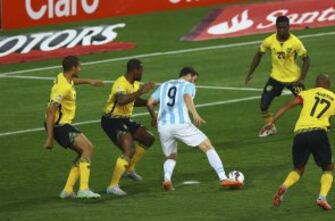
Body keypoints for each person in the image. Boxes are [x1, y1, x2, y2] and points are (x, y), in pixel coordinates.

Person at [263, 74, 335, 210]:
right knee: (328, 168)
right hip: (318, 133)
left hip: (300, 134)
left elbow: (288, 105)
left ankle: (284, 186)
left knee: (298, 169)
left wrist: (272, 121)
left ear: (316, 84)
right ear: (329, 84)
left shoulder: (307, 93)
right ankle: (322, 197)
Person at [147, 67, 243, 191]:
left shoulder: (165, 84)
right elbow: (187, 97)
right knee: (208, 147)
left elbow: (149, 103)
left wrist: (154, 117)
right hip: (180, 124)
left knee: (171, 156)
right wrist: (195, 113)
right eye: (194, 79)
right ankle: (223, 178)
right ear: (189, 75)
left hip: (163, 126)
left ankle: (167, 180)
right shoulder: (188, 85)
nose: (194, 82)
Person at [44, 56, 103, 199]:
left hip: (61, 124)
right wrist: (50, 138)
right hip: (59, 126)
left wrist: (89, 81)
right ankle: (83, 189)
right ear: (73, 68)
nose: (80, 69)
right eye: (79, 67)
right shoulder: (62, 87)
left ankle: (68, 190)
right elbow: (51, 111)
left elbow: (72, 82)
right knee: (88, 148)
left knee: (83, 152)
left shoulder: (63, 77)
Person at [245, 15, 311, 137]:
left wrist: (301, 78)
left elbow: (307, 60)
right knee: (264, 105)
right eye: (279, 28)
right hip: (276, 78)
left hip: (294, 79)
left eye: (284, 28)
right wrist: (250, 73)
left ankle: (314, 125)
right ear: (276, 27)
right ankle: (271, 127)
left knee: (306, 104)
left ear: (289, 27)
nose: (282, 30)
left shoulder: (295, 42)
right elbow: (259, 54)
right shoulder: (269, 41)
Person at [101, 59, 156, 196]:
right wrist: (141, 91)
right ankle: (113, 186)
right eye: (141, 70)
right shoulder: (120, 83)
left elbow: (133, 100)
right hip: (111, 120)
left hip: (124, 119)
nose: (142, 73)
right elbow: (121, 100)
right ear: (134, 70)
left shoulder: (135, 83)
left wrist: (148, 102)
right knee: (129, 149)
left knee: (148, 138)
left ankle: (129, 170)